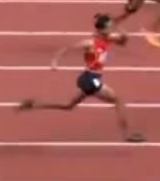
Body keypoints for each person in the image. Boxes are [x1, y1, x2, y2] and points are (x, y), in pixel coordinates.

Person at [16, 13, 145, 143]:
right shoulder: (90, 43)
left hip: (87, 79)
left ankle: (35, 105)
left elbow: (124, 39)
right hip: (91, 80)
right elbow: (67, 49)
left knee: (68, 106)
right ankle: (127, 135)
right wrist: (55, 61)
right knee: (118, 100)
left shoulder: (107, 39)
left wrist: (116, 25)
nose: (111, 30)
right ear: (101, 30)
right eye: (109, 27)